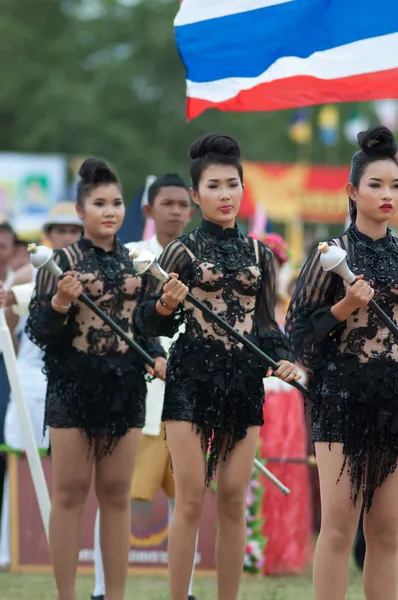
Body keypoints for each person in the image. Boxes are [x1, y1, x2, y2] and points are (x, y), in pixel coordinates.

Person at [135, 134, 300, 600]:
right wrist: (166, 305)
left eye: (232, 184)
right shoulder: (180, 253)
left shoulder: (261, 255)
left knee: (231, 499)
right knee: (189, 500)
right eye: (214, 186)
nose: (225, 194)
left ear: (243, 189)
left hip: (244, 382)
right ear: (196, 195)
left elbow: (267, 326)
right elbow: (147, 320)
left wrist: (284, 359)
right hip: (190, 379)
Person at [25, 159, 166, 600]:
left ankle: (115, 595)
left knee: (117, 495)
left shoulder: (135, 262)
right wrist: (62, 303)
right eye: (99, 203)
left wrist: (157, 355)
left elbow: (142, 326)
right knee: (68, 493)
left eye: (117, 203)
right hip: (71, 389)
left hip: (125, 392)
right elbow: (41, 332)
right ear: (81, 212)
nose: (110, 211)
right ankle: (66, 594)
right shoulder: (58, 262)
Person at [285, 125, 398, 600]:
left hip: (393, 397)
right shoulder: (331, 255)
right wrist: (343, 308)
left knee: (389, 530)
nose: (387, 194)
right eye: (376, 184)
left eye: (395, 185)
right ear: (353, 191)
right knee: (338, 524)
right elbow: (297, 334)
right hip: (341, 396)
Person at [91, 174, 197, 600]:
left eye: (181, 204)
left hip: (189, 399)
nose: (175, 211)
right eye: (166, 204)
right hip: (144, 399)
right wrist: (149, 357)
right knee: (116, 498)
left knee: (185, 502)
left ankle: (183, 591)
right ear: (149, 210)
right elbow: (121, 323)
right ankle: (103, 589)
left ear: (191, 209)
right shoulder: (132, 257)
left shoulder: (201, 260)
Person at [0, 202, 83, 569]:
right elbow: (10, 338)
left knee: (73, 472)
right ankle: (13, 550)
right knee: (22, 466)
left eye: (73, 230)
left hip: (78, 382)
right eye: (60, 230)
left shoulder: (93, 277)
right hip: (30, 382)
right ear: (48, 235)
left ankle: (69, 549)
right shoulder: (20, 279)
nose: (67, 237)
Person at [253, 232, 312, 575]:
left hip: (286, 399)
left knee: (286, 467)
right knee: (254, 469)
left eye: (273, 264)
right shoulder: (243, 307)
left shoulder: (293, 308)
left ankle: (283, 551)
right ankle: (252, 548)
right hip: (257, 394)